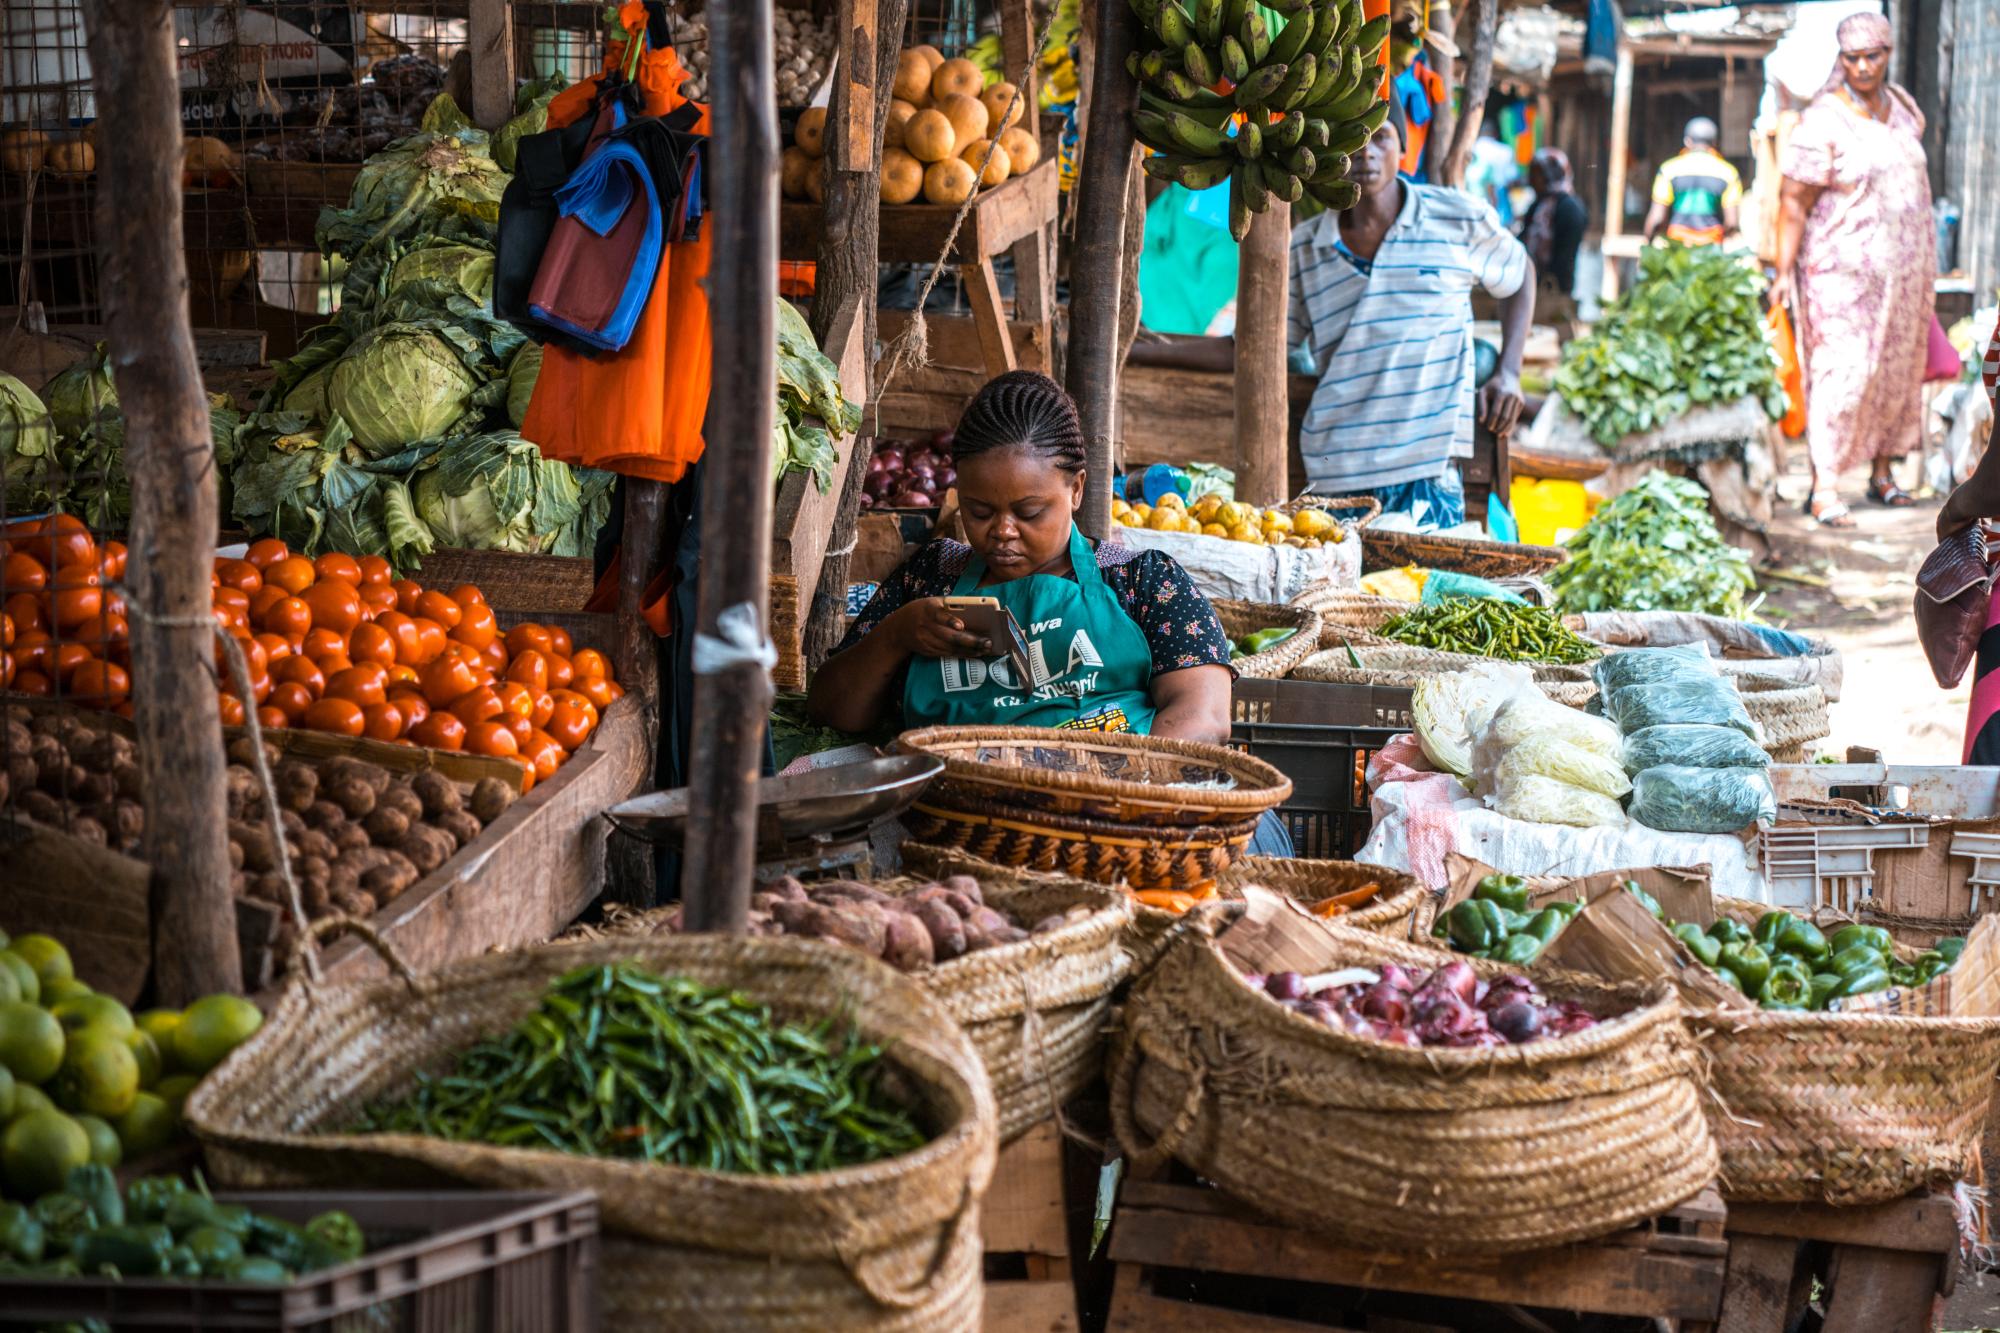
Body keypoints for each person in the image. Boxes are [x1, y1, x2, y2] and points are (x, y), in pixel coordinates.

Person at [1126, 99, 1534, 528]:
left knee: (1421, 593)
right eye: (1353, 143)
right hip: (1338, 476)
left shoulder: (1456, 217)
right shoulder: (1304, 247)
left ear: (1403, 149)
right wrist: (1140, 349)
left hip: (1427, 472)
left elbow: (1520, 272)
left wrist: (1509, 371)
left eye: (1381, 138)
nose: (1367, 153)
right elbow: (1252, 349)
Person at [810, 370, 1238, 743]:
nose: (1002, 531)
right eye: (979, 511)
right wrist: (897, 635)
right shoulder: (930, 578)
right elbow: (833, 711)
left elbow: (1204, 718)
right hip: (955, 804)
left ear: (1076, 490)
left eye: (1028, 512)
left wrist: (1115, 784)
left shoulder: (1141, 582)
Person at [1773, 11, 1935, 526]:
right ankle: (1824, 486)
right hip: (1840, 275)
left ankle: (1883, 475)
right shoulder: (1822, 120)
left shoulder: (1904, 110)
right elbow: (1792, 202)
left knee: (1893, 371)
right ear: (1839, 59)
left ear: (1888, 53)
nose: (1863, 66)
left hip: (1905, 278)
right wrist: (1780, 271)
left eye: (1873, 55)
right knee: (1844, 372)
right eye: (1852, 57)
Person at [1519, 148, 1587, 338]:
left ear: (1550, 174)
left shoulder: (1570, 208)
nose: (1531, 179)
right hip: (1534, 283)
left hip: (1556, 286)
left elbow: (1565, 255)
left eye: (1535, 174)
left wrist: (1548, 280)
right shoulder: (1538, 206)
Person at [1643, 118, 1743, 247]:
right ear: (1714, 142)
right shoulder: (1729, 172)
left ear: (1687, 141)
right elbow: (1732, 223)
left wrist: (1647, 246)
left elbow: (1657, 218)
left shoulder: (1669, 169)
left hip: (1678, 247)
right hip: (1711, 246)